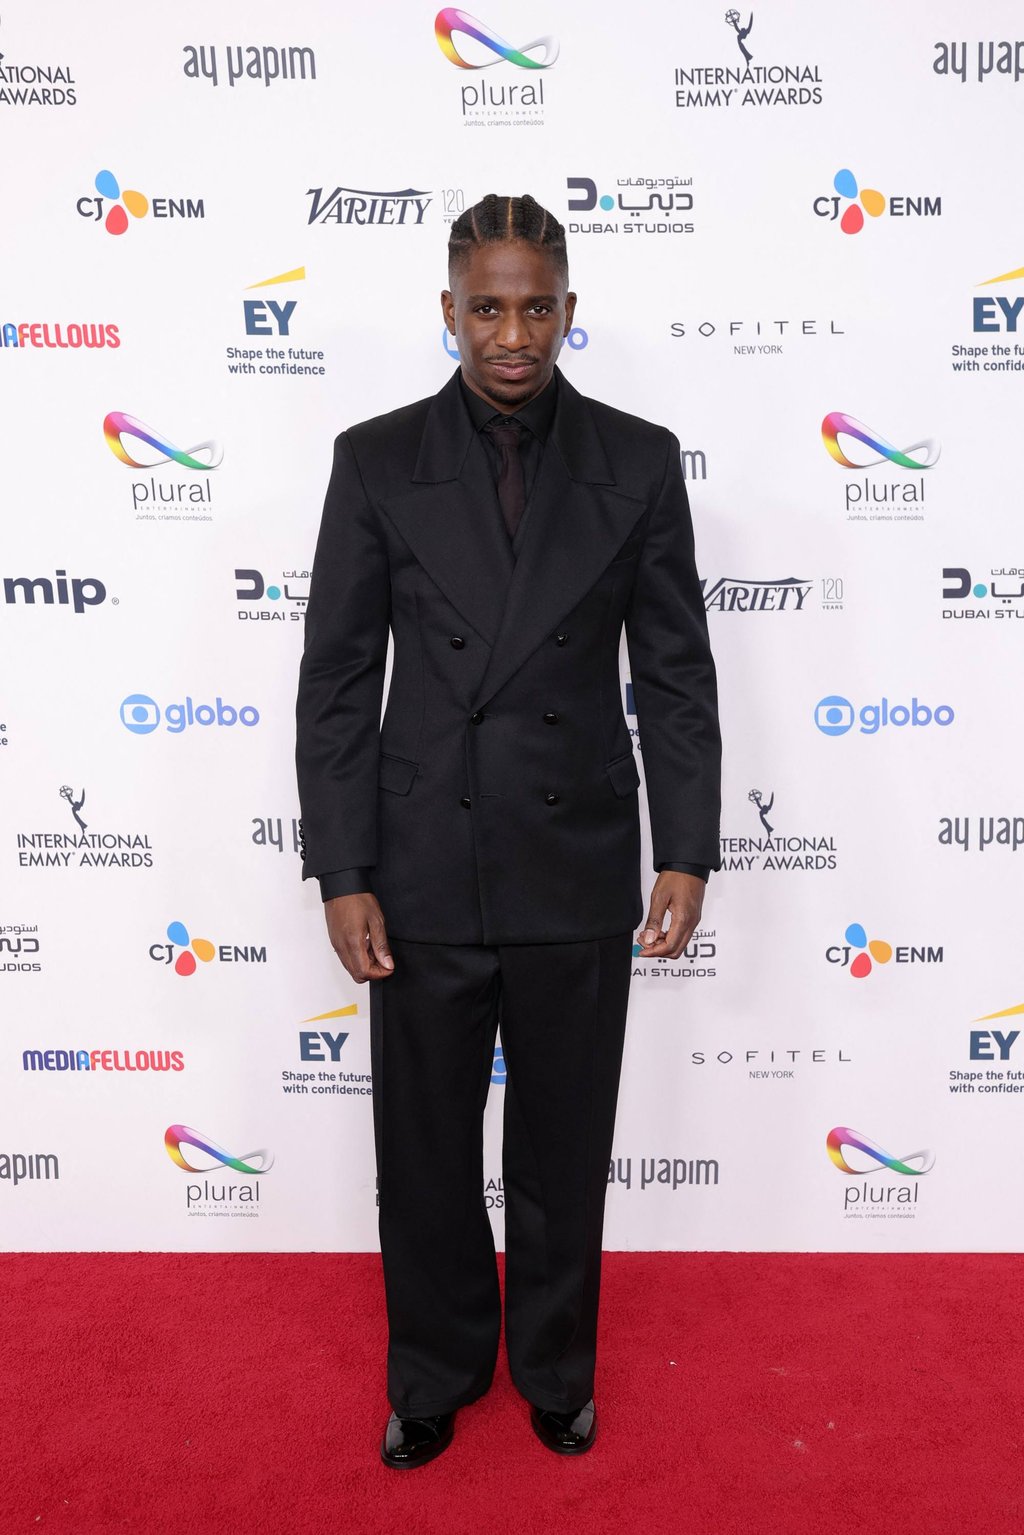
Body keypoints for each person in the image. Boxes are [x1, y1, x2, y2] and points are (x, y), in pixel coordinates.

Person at [295, 193, 721, 1469]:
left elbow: (679, 675)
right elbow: (334, 683)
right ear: (449, 313)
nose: (512, 333)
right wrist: (343, 868)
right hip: (423, 862)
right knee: (422, 1151)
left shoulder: (638, 461)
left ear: (568, 312)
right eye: (488, 306)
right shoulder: (372, 459)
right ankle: (430, 1371)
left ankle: (553, 1367)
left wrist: (685, 849)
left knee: (559, 1150)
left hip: (574, 856)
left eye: (536, 306)